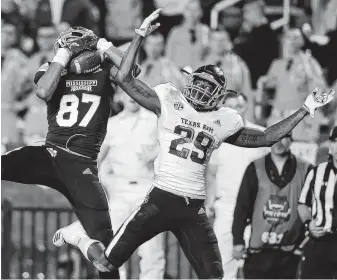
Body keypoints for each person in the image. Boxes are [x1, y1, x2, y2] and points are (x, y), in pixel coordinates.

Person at [54, 9, 335, 279]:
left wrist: (304, 109)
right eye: (198, 82)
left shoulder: (224, 119)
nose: (200, 89)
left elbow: (269, 136)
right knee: (106, 263)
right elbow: (124, 78)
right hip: (160, 198)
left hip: (193, 207)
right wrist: (139, 35)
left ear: (219, 96)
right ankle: (76, 235)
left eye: (208, 87)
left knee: (214, 275)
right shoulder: (169, 100)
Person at [1, 26, 140, 279]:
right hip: (51, 153)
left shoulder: (106, 69)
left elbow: (132, 73)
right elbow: (43, 91)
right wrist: (64, 57)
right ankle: (81, 238)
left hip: (82, 165)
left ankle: (81, 240)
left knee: (108, 258)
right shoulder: (52, 69)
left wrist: (103, 45)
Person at [98, 91, 165, 279]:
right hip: (119, 191)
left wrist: (156, 154)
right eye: (126, 92)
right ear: (119, 95)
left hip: (147, 190)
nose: (131, 97)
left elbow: (170, 149)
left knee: (151, 250)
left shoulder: (154, 121)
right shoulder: (111, 125)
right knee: (112, 248)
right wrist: (105, 183)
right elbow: (97, 160)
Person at [206, 92, 269, 279]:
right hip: (226, 207)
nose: (235, 111)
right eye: (230, 107)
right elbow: (212, 174)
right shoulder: (217, 136)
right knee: (223, 265)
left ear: (246, 107)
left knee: (256, 264)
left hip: (255, 210)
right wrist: (209, 204)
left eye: (239, 106)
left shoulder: (262, 136)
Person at [232, 133, 312, 278]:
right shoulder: (254, 168)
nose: (278, 142)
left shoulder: (306, 170)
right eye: (274, 138)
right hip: (258, 252)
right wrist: (237, 241)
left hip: (290, 253)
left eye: (284, 137)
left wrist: (303, 244)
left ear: (291, 140)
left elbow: (314, 209)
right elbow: (242, 207)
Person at [297, 126, 337, 279]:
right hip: (320, 241)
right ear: (331, 145)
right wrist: (309, 223)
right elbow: (302, 204)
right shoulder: (316, 172)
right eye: (336, 142)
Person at [233, 0, 279, 89]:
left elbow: (241, 54)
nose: (244, 16)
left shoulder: (264, 34)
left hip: (257, 86)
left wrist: (243, 35)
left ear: (256, 12)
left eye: (247, 12)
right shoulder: (262, 32)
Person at [166, 0, 208, 69]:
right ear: (184, 12)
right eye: (189, 9)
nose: (192, 13)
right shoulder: (175, 32)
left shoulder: (205, 31)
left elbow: (209, 55)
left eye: (195, 10)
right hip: (178, 74)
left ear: (200, 12)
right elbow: (168, 57)